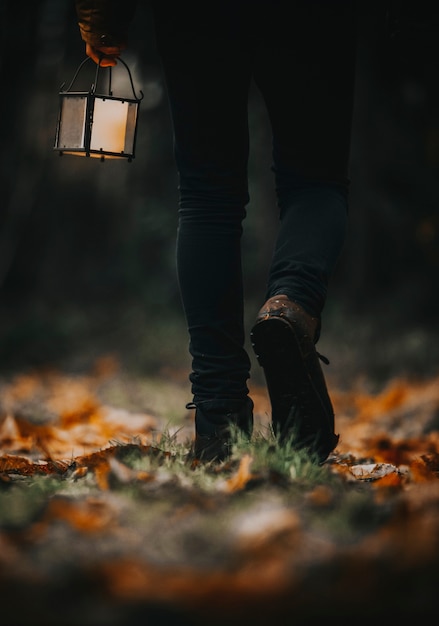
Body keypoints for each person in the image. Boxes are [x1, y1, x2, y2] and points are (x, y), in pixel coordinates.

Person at [75, 0, 358, 464]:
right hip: (314, 16)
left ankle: (218, 419)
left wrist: (101, 19)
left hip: (194, 14)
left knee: (209, 197)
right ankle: (290, 306)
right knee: (315, 181)